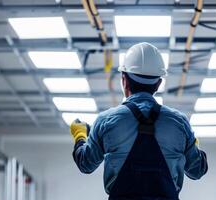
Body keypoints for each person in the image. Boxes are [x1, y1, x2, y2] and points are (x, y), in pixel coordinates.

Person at [70, 42, 208, 200]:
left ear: (124, 80)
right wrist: (192, 143)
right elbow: (197, 171)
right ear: (158, 84)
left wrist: (80, 135)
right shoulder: (179, 122)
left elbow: (86, 164)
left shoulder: (105, 121)